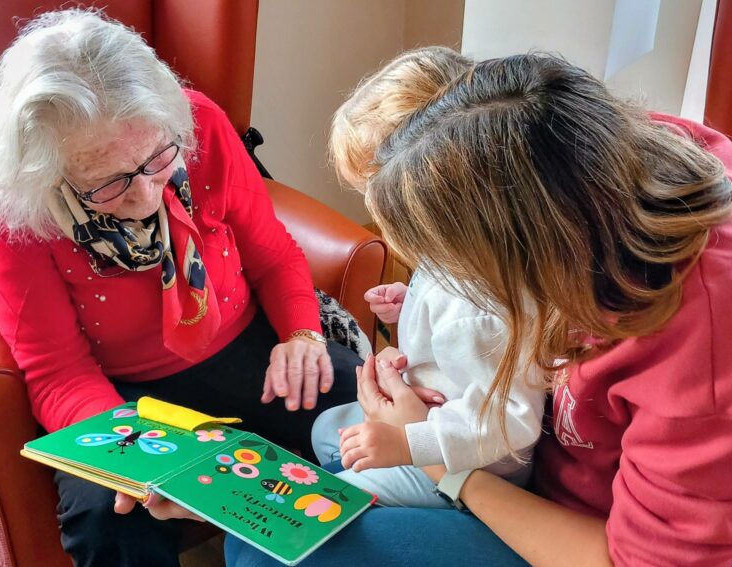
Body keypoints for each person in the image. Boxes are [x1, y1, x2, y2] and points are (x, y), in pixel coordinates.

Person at [218, 52, 732, 565]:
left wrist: (436, 458)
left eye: (450, 266)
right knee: (252, 525)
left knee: (272, 549)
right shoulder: (591, 156)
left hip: (566, 530)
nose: (448, 287)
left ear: (523, 248)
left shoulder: (701, 352)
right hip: (494, 454)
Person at [0, 9, 361, 567]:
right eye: (109, 183)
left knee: (367, 414)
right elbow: (57, 370)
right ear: (45, 171)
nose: (149, 196)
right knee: (109, 512)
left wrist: (301, 333)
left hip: (245, 343)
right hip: (114, 390)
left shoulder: (198, 122)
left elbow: (273, 255)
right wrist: (144, 464)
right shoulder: (2, 196)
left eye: (158, 159)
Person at [310, 47, 546, 508]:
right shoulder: (460, 248)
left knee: (333, 502)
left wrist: (407, 444)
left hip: (464, 459)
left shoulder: (480, 308)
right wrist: (411, 301)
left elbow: (509, 423)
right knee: (325, 431)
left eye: (377, 193)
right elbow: (449, 313)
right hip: (428, 415)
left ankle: (441, 519)